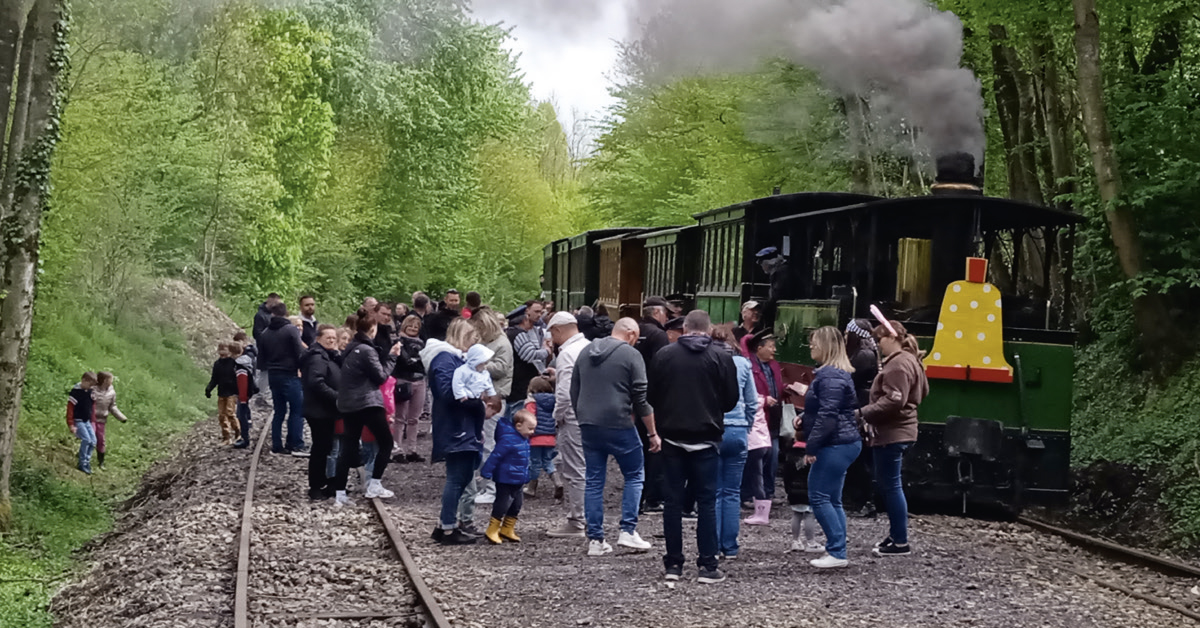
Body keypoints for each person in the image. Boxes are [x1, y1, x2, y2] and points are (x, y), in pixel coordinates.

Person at [649, 311, 740, 584]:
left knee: (673, 503)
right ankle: (708, 565)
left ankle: (673, 564)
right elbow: (731, 399)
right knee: (707, 502)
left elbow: (652, 395)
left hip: (673, 437)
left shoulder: (664, 355)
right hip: (707, 436)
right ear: (709, 329)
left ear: (685, 328)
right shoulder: (722, 357)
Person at [572, 317, 657, 555]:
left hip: (589, 423)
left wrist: (582, 417)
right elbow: (640, 397)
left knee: (594, 480)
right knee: (634, 474)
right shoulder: (631, 356)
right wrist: (652, 433)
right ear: (630, 334)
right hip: (618, 422)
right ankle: (628, 531)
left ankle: (596, 540)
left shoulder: (586, 351)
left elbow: (574, 389)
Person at [791, 326, 862, 569]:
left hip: (834, 444)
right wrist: (805, 417)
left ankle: (837, 550)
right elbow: (825, 411)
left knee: (819, 496)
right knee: (833, 499)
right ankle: (837, 547)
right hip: (843, 442)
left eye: (815, 343)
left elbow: (828, 414)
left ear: (826, 346)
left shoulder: (829, 376)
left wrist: (811, 446)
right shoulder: (835, 374)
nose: (811, 346)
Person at [859, 319, 928, 557]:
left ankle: (900, 541)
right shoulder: (912, 360)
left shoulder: (897, 365)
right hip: (904, 429)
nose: (878, 345)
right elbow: (922, 392)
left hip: (892, 432)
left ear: (891, 338)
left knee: (891, 486)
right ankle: (896, 536)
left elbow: (894, 400)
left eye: (879, 340)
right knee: (891, 485)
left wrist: (863, 412)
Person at [428, 319, 487, 545]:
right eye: (472, 337)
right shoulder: (445, 359)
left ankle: (446, 523)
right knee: (457, 477)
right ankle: (448, 527)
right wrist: (474, 399)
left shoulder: (452, 359)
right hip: (456, 427)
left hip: (461, 425)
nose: (474, 343)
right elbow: (447, 392)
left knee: (461, 477)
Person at [335, 308, 403, 502]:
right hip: (367, 403)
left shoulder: (350, 348)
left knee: (347, 447)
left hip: (348, 404)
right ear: (372, 329)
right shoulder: (367, 350)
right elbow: (381, 376)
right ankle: (375, 483)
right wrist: (392, 356)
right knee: (386, 442)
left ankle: (340, 493)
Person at [546, 311, 591, 538]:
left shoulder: (566, 354)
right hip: (593, 414)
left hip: (573, 416)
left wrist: (556, 416)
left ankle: (577, 520)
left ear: (557, 330)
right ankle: (591, 516)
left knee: (574, 470)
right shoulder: (590, 347)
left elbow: (564, 393)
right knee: (591, 468)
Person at [712, 328, 756, 559]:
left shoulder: (707, 360)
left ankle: (714, 544)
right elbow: (752, 402)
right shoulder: (743, 364)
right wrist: (745, 425)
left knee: (714, 491)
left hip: (713, 430)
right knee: (732, 492)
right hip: (737, 430)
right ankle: (730, 546)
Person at [469, 307, 514, 503]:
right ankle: (486, 484)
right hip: (484, 396)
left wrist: (481, 364)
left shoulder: (502, 343)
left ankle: (492, 488)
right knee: (483, 441)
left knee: (490, 444)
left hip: (495, 398)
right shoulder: (487, 342)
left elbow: (502, 369)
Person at [636, 298, 671, 514]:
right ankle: (653, 496)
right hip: (652, 399)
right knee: (654, 447)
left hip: (633, 397)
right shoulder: (659, 335)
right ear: (657, 313)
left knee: (638, 446)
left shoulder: (633, 330)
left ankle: (637, 493)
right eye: (665, 313)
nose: (666, 317)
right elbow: (663, 367)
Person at [259, 302, 308, 455]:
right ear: (286, 314)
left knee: (279, 411)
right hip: (290, 374)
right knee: (297, 409)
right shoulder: (290, 330)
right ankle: (295, 443)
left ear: (272, 314)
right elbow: (299, 351)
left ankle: (277, 444)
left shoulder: (265, 332)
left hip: (274, 375)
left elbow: (261, 358)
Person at [742, 329, 785, 505]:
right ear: (759, 348)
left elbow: (776, 385)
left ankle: (767, 492)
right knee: (756, 459)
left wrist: (787, 388)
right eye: (771, 346)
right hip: (759, 419)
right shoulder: (750, 366)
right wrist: (763, 400)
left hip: (773, 418)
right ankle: (750, 494)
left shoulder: (773, 365)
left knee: (773, 457)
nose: (774, 350)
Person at [480, 409, 536, 544]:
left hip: (518, 479)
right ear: (518, 426)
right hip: (505, 478)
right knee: (502, 503)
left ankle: (507, 528)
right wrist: (486, 472)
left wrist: (526, 475)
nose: (532, 432)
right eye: (530, 428)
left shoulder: (523, 439)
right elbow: (495, 456)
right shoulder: (508, 440)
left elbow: (524, 460)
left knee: (517, 504)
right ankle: (492, 529)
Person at [301, 324, 342, 501]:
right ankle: (316, 486)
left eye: (334, 338)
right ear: (319, 338)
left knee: (325, 447)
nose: (332, 340)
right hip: (320, 411)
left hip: (326, 410)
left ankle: (324, 483)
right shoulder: (317, 358)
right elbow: (316, 382)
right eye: (328, 338)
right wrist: (337, 397)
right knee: (320, 448)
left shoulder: (328, 355)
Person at [844, 318, 880, 516]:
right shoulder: (869, 352)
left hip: (861, 405)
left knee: (862, 458)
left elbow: (848, 377)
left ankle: (867, 499)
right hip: (863, 402)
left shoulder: (863, 355)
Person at [392, 314, 427, 463]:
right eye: (410, 326)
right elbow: (405, 362)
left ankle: (412, 449)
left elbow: (424, 362)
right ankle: (397, 449)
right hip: (403, 380)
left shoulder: (423, 344)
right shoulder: (398, 342)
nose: (413, 329)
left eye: (416, 326)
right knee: (400, 418)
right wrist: (415, 361)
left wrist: (417, 362)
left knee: (414, 418)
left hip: (420, 380)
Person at [505, 302, 549, 421]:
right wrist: (546, 351)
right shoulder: (519, 334)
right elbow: (530, 355)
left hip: (515, 384)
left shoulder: (509, 333)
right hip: (520, 384)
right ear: (523, 320)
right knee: (517, 416)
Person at [523, 376, 558, 499]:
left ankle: (532, 488)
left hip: (536, 438)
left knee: (535, 463)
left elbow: (529, 418)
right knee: (548, 461)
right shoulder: (554, 400)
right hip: (550, 437)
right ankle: (558, 482)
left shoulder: (532, 402)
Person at [205, 342, 241, 445]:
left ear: (229, 351)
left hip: (232, 392)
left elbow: (237, 378)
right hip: (221, 392)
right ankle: (226, 437)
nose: (222, 353)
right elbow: (214, 379)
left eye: (224, 350)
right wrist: (209, 389)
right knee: (221, 415)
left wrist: (238, 392)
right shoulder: (217, 364)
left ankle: (238, 433)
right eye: (220, 350)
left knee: (230, 413)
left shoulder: (234, 363)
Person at [92, 371, 129, 470]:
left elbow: (112, 407)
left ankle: (101, 462)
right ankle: (84, 457)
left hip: (102, 419)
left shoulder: (111, 393)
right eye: (110, 379)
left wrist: (121, 417)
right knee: (90, 438)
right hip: (91, 418)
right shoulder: (92, 390)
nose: (112, 381)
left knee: (101, 440)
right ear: (104, 380)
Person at [754, 247, 793, 330]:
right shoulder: (781, 271)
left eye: (762, 264)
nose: (762, 267)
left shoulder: (781, 272)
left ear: (768, 263)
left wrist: (765, 308)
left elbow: (778, 294)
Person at [67, 372, 99, 474]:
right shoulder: (76, 393)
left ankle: (87, 461)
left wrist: (93, 420)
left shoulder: (90, 392)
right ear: (84, 380)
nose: (91, 388)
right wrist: (71, 424)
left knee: (93, 441)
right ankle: (82, 462)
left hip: (87, 421)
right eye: (90, 385)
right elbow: (70, 410)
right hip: (78, 420)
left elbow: (92, 407)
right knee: (86, 439)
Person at [232, 332, 256, 449]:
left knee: (242, 416)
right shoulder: (246, 362)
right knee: (242, 415)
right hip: (246, 394)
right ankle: (244, 437)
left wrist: (242, 398)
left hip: (243, 396)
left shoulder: (240, 367)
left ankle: (245, 439)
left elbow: (242, 383)